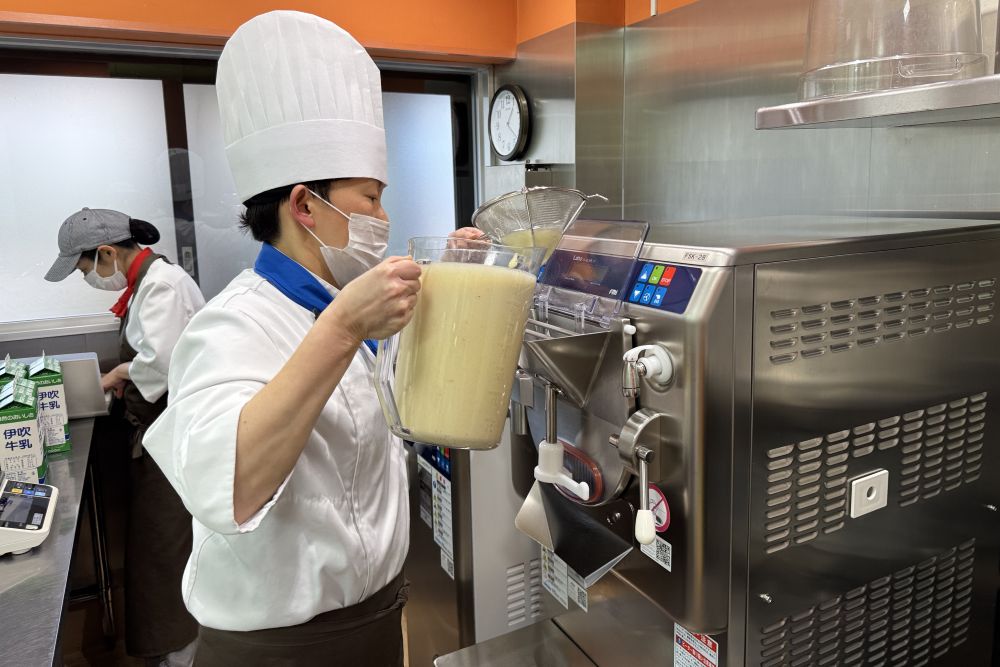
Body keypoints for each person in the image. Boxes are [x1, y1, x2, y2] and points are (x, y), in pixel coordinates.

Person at [143, 11, 479, 666]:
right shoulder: (232, 325)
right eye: (370, 198)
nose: (383, 217)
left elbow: (407, 401)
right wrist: (344, 326)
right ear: (304, 206)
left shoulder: (343, 306)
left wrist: (456, 277)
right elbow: (230, 489)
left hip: (377, 622)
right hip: (280, 651)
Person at [44, 208, 203, 666]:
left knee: (166, 554)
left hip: (173, 439)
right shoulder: (147, 283)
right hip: (158, 436)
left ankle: (182, 656)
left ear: (107, 252)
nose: (89, 278)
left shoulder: (162, 285)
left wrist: (118, 372)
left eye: (85, 268)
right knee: (158, 553)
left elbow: (163, 364)